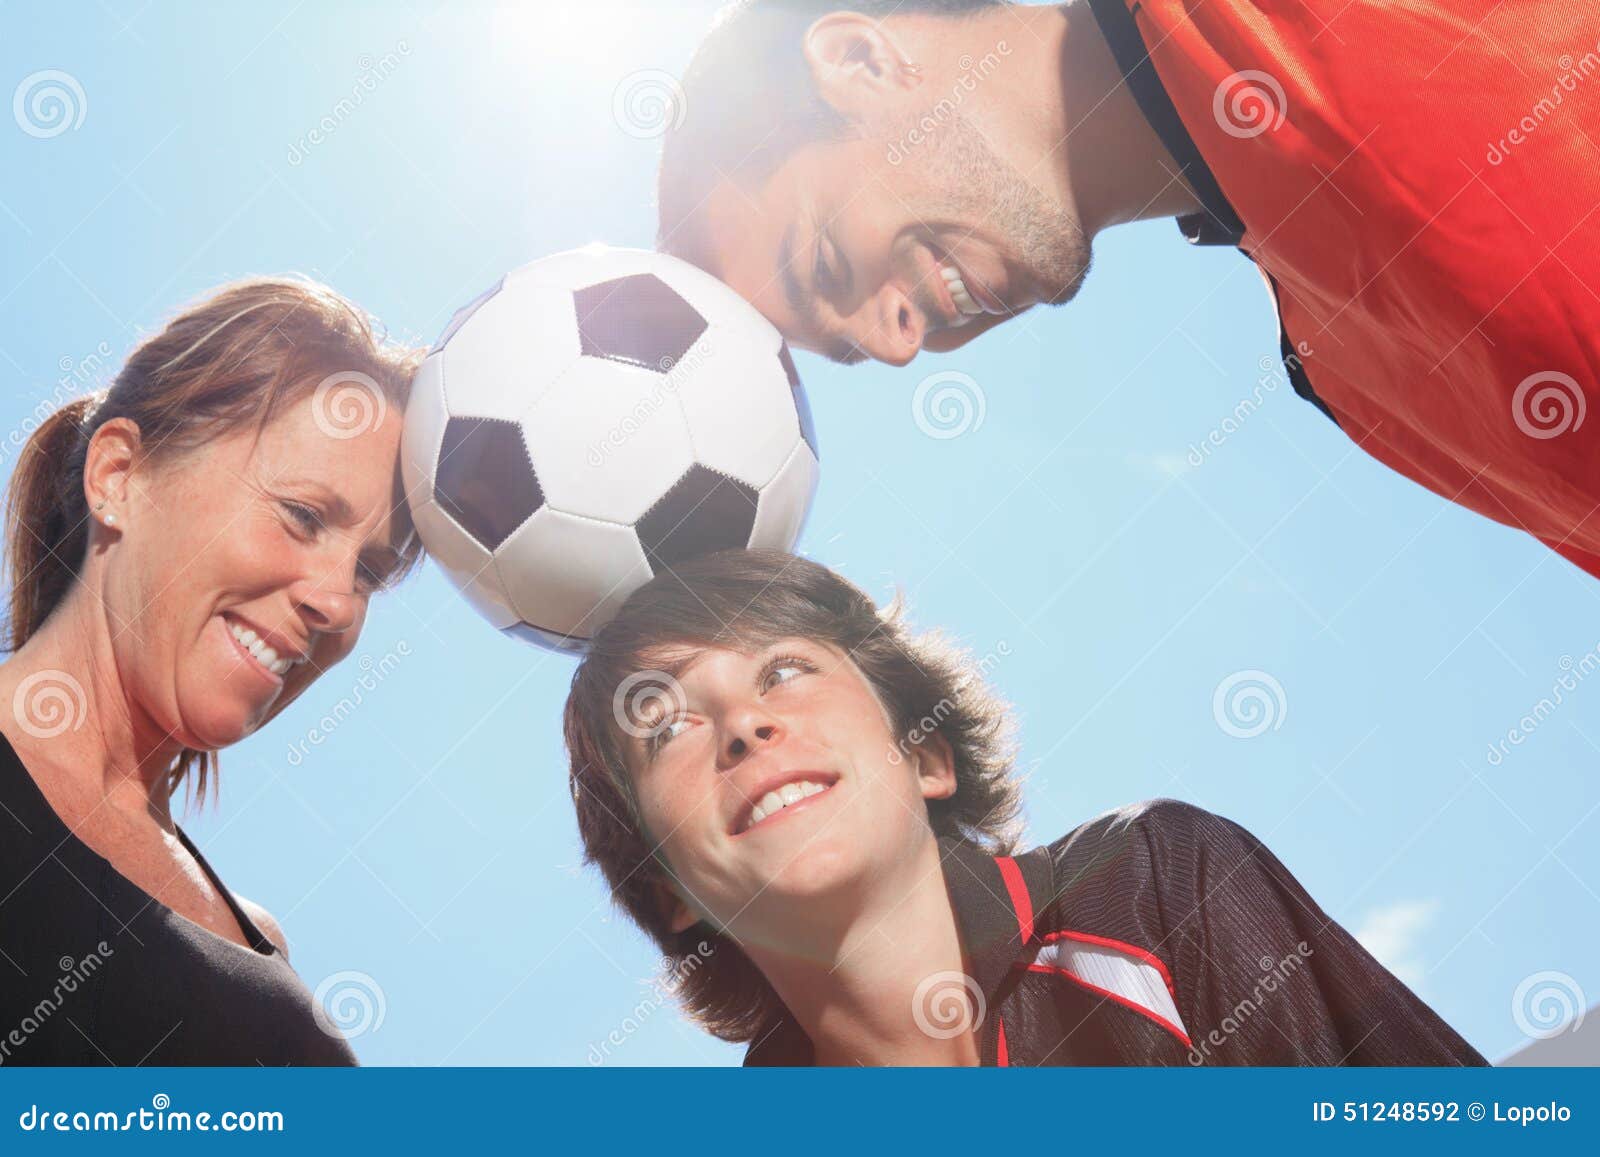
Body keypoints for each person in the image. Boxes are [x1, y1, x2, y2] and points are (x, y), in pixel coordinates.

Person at [657, 0, 1600, 579]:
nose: (901, 344)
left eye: (828, 266)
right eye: (856, 350)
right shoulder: (1356, 384)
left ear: (861, 60)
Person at [563, 549, 1486, 1065]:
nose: (745, 724)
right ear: (668, 888)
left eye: (786, 669)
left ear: (925, 754)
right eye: (667, 724)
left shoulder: (1155, 890)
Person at [0, 277, 420, 1066]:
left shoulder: (263, 945)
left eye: (368, 570)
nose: (336, 601)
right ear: (119, 474)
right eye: (301, 514)